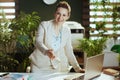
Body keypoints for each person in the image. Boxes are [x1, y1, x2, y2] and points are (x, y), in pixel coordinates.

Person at [29, 1, 84, 73]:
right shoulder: (44, 25)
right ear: (55, 13)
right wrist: (46, 51)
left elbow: (69, 51)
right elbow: (38, 42)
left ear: (68, 16)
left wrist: (78, 69)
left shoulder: (67, 30)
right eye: (58, 13)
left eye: (64, 15)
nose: (60, 17)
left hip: (55, 67)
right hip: (39, 66)